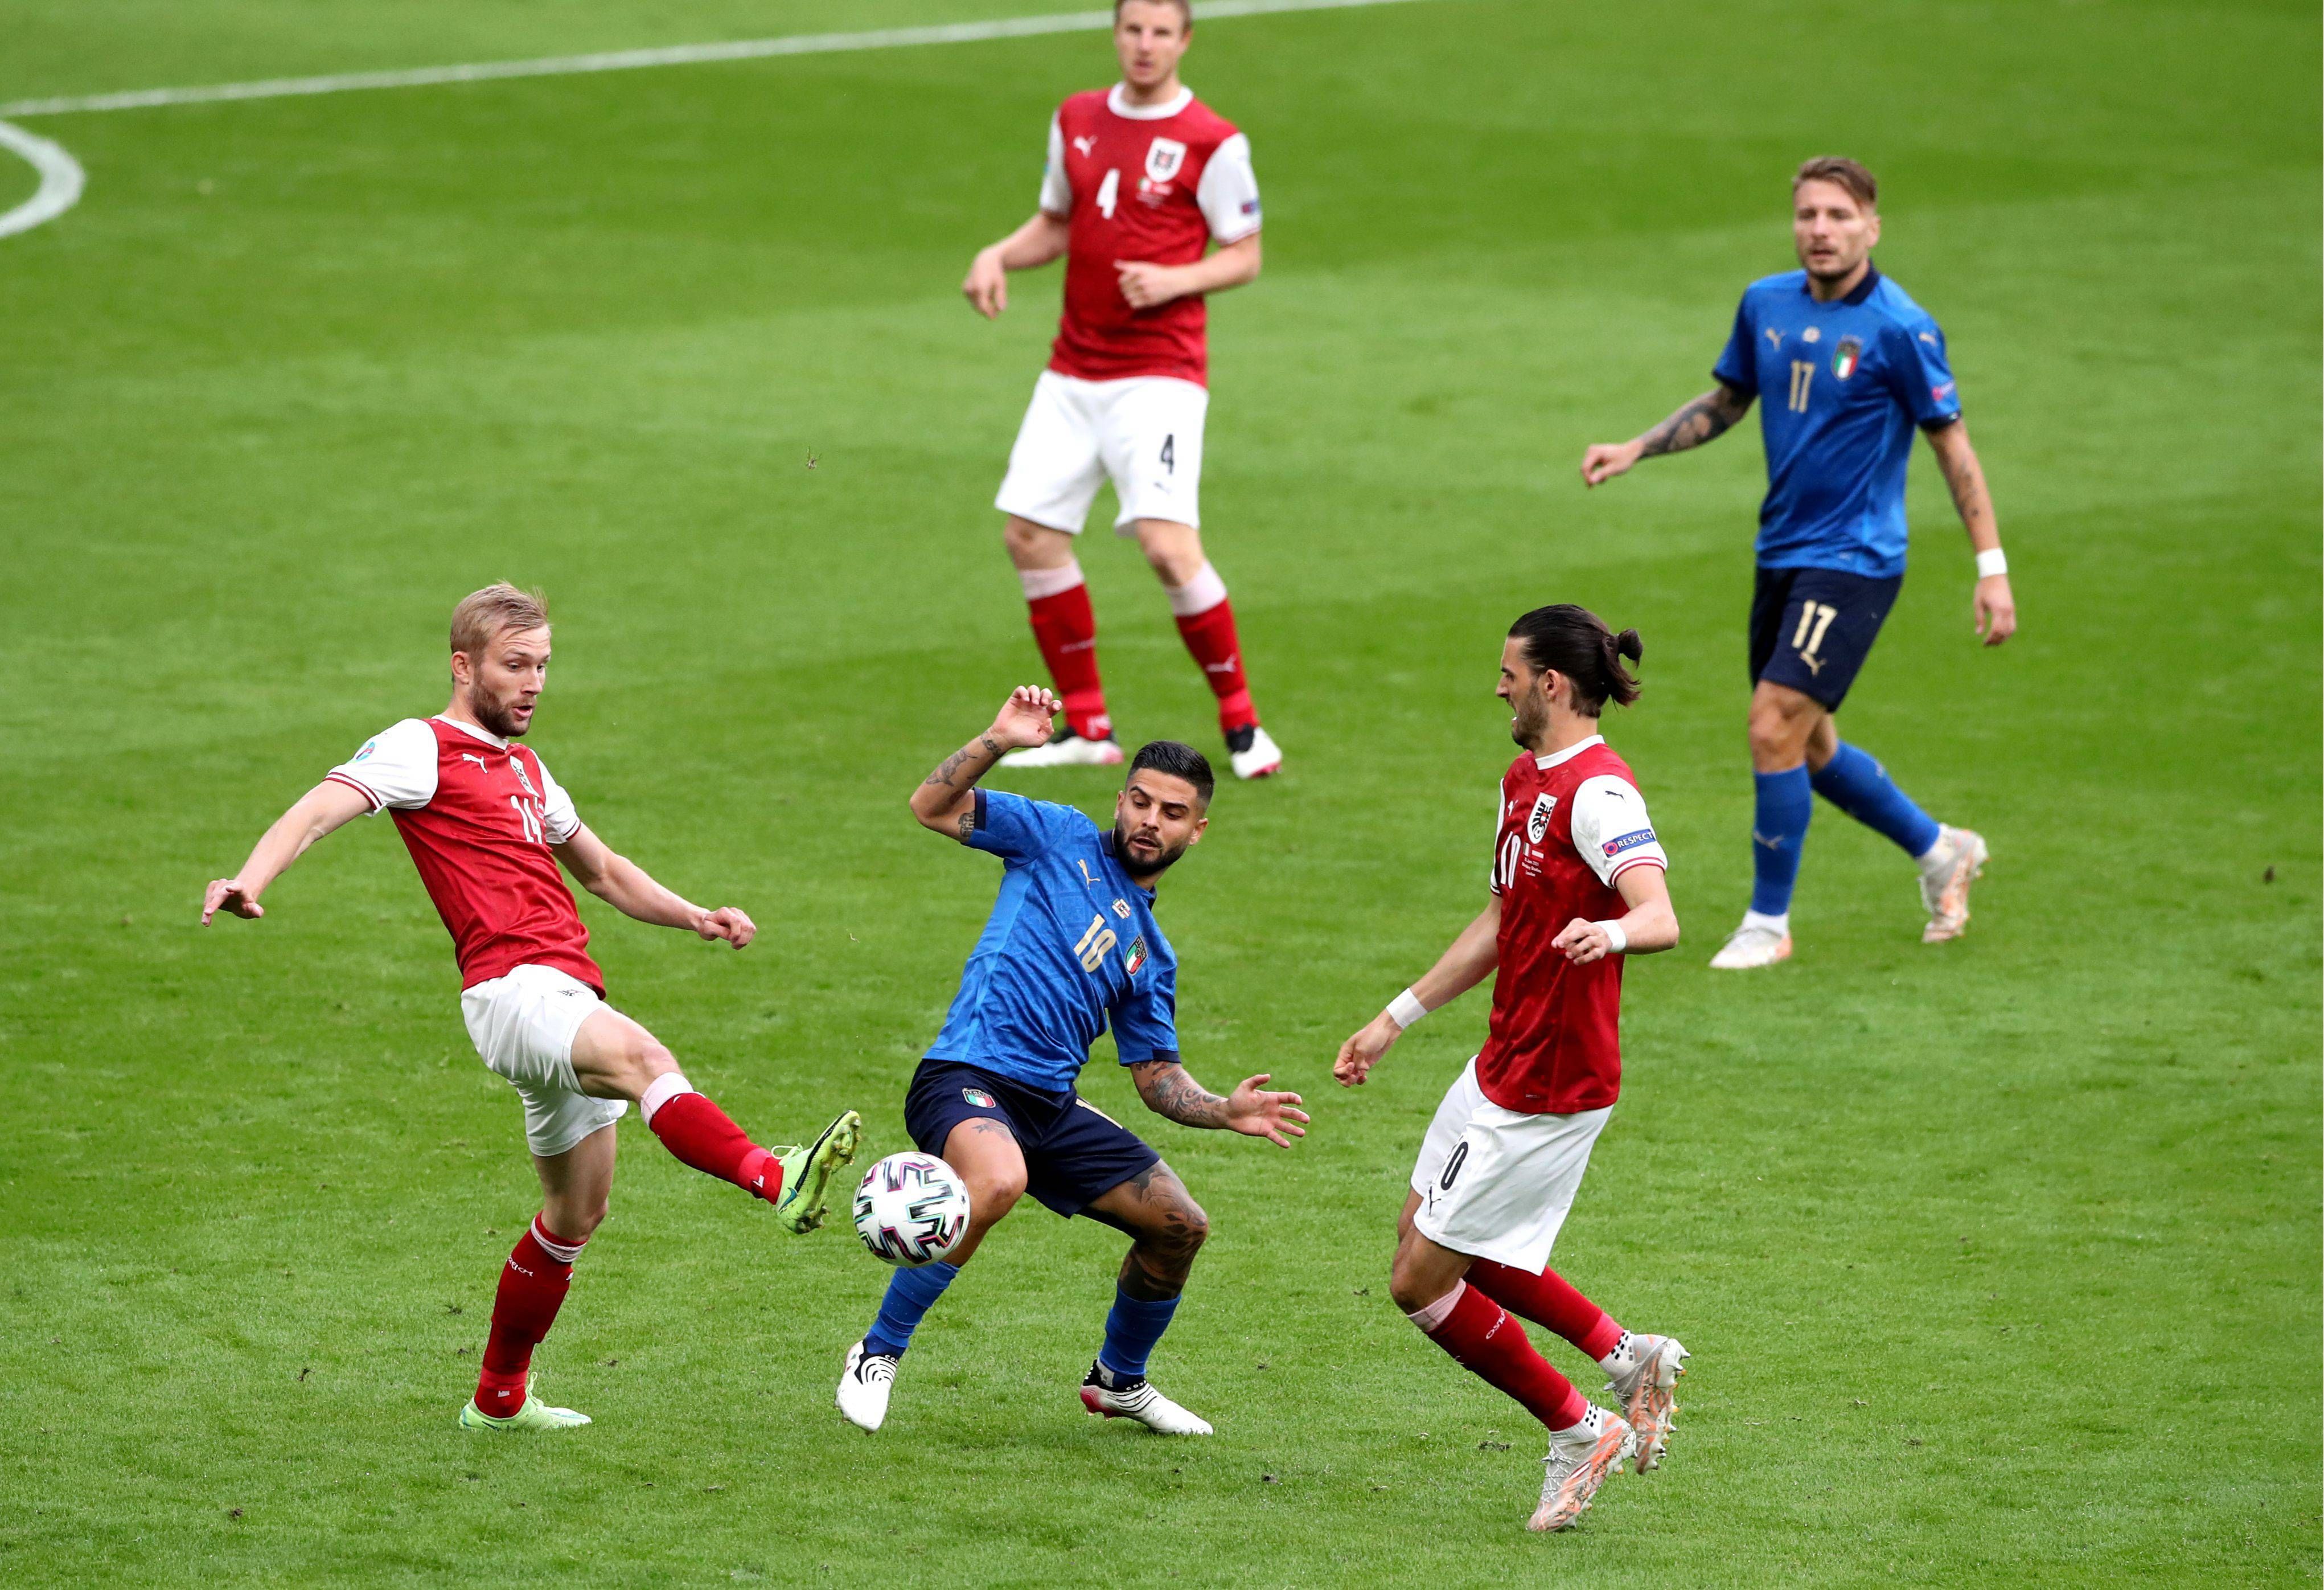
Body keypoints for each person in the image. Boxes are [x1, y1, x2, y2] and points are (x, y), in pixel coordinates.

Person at [200, 583, 862, 1432]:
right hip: (511, 990)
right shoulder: (420, 745)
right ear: (463, 665)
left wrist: (695, 915)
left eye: (543, 666)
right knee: (647, 1062)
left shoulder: (526, 768)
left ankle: (498, 1400)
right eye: (515, 666)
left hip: (562, 991)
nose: (534, 683)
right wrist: (250, 879)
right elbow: (318, 811)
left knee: (574, 1216)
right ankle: (777, 1177)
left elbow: (604, 872)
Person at [1580, 156, 2017, 968]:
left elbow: (1952, 447)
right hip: (1780, 551)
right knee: (1806, 747)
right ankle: (1941, 850)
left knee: (1771, 724)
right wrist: (1638, 447)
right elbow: (1727, 401)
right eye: (1809, 214)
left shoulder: (1902, 328)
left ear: (1872, 227)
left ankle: (1768, 923)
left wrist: (1990, 566)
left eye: (1839, 216)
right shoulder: (1765, 303)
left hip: (1855, 559)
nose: (1821, 230)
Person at [835, 687, 1307, 1435]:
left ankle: (1119, 1380)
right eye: (1141, 802)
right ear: (1120, 801)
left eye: (1172, 812)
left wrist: (1223, 1110)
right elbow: (930, 806)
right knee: (1000, 1180)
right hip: (966, 1075)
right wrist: (997, 739)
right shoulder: (1057, 836)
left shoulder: (1151, 956)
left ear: (1197, 831)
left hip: (1048, 1107)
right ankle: (878, 1351)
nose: (1150, 821)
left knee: (1180, 1225)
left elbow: (1156, 1077)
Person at [1333, 605, 1687, 1534]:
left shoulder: (1599, 795)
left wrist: (1610, 932)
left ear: (1551, 684)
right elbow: (1502, 920)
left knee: (1418, 1280)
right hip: (1502, 1059)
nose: (1497, 688)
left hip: (1551, 1084)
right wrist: (1395, 1018)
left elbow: (1659, 915)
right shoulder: (1523, 778)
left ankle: (1578, 1429)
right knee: (1426, 1235)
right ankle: (1628, 1357)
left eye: (1508, 674)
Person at [961, 0, 1283, 781]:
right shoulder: (1075, 117)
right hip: (1072, 370)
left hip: (1159, 376)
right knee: (1030, 537)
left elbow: (1244, 254)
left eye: (1161, 32)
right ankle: (1086, 726)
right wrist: (997, 254)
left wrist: (1175, 278)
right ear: (1116, 34)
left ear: (1185, 41)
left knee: (1168, 549)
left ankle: (1243, 725)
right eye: (1133, 29)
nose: (1145, 45)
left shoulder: (1213, 140)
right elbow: (1059, 223)